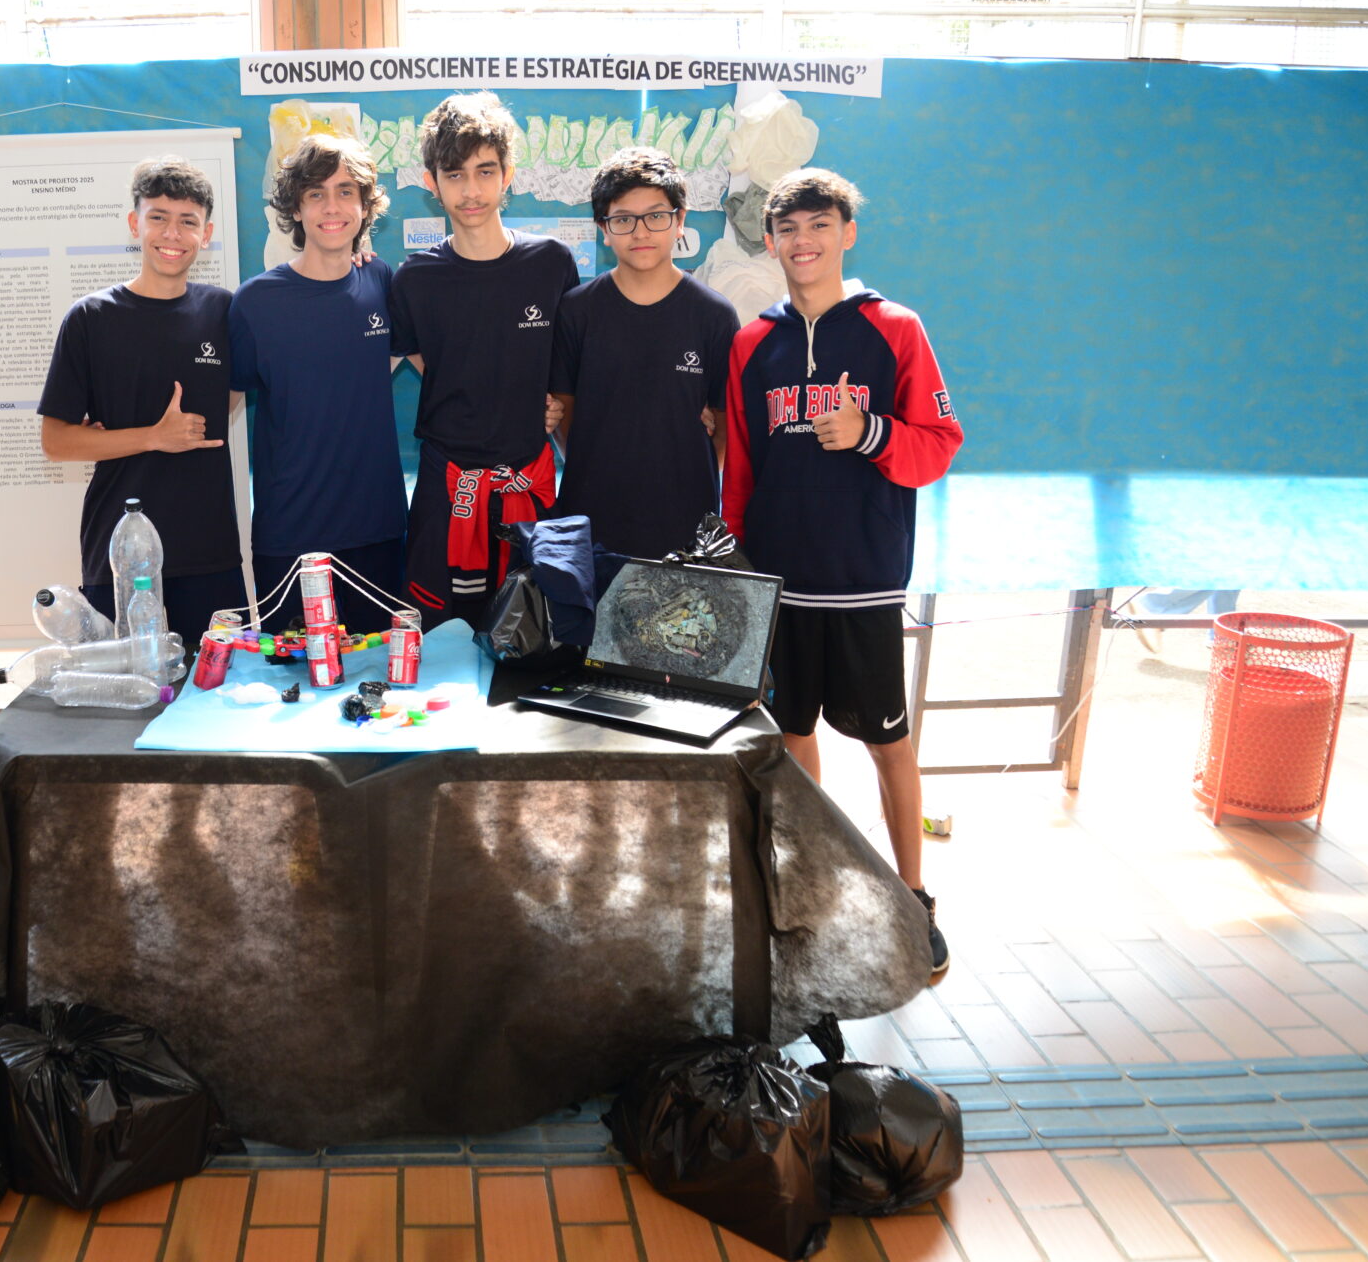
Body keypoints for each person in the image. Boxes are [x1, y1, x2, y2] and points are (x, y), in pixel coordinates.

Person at [721, 168, 964, 977]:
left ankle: (914, 896)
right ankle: (813, 888)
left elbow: (939, 444)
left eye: (819, 226)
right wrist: (740, 564)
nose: (804, 242)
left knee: (888, 741)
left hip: (863, 580)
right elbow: (741, 469)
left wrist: (870, 433)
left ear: (847, 233)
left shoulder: (894, 328)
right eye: (788, 229)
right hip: (782, 584)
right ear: (770, 241)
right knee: (793, 740)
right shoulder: (753, 343)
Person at [389, 91, 582, 627]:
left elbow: (569, 366)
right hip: (446, 486)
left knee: (533, 639)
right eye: (454, 175)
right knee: (438, 640)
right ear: (431, 183)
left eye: (485, 171)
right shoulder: (415, 278)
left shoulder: (551, 262)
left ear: (508, 175)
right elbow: (426, 357)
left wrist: (551, 403)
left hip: (530, 481)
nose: (471, 191)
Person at [37, 155, 244, 643]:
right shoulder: (90, 318)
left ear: (206, 233)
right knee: (125, 685)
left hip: (208, 548)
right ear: (135, 224)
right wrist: (154, 437)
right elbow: (56, 441)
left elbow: (232, 393)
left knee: (217, 682)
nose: (172, 234)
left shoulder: (224, 311)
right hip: (120, 552)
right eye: (159, 218)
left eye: (188, 221)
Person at [229, 134, 408, 635]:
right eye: (316, 193)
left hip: (377, 528)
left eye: (346, 191)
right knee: (293, 675)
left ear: (365, 206)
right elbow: (223, 403)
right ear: (296, 208)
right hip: (291, 534)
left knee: (381, 671)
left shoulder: (381, 281)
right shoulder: (255, 302)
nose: (332, 206)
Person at [548, 147, 739, 559]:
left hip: (685, 525)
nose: (640, 232)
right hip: (592, 520)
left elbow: (723, 427)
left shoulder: (715, 316)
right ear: (603, 228)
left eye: (656, 216)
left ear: (680, 220)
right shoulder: (576, 312)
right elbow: (564, 417)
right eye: (623, 219)